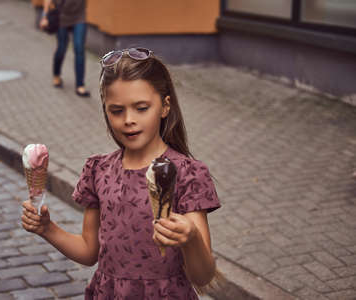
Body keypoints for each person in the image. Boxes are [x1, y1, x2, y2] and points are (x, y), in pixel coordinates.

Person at [21, 48, 221, 299]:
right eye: (117, 111)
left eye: (141, 108)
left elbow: (202, 276)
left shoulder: (187, 173)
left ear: (164, 107)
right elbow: (88, 251)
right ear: (106, 110)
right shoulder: (99, 170)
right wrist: (47, 228)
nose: (128, 120)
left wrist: (191, 238)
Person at [40, 0, 90, 97]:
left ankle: (80, 85)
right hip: (61, 16)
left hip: (79, 16)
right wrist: (44, 16)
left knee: (79, 48)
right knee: (61, 48)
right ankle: (56, 74)